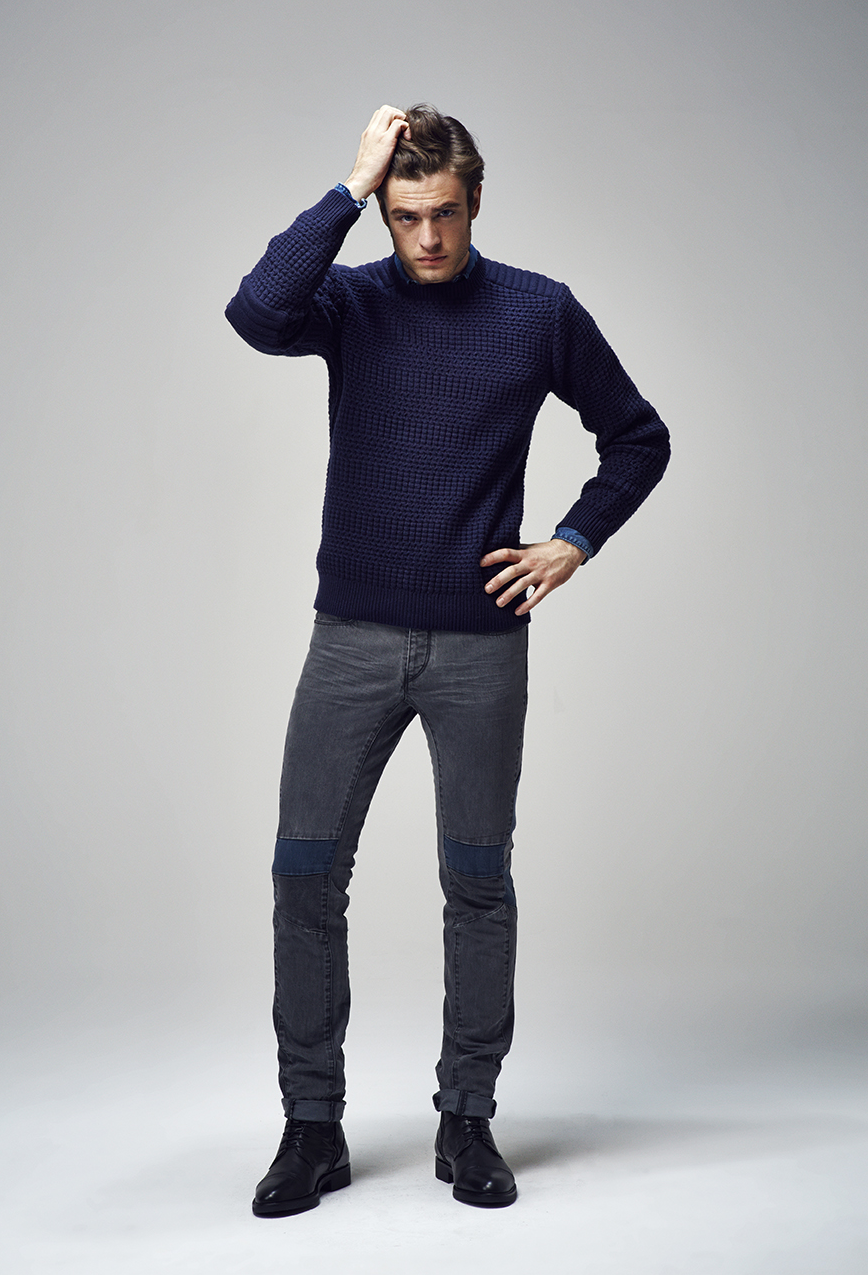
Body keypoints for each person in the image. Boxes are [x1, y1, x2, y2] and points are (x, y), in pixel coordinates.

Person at [225, 104, 670, 1217]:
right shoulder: (350, 302)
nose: (427, 238)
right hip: (351, 640)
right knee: (302, 874)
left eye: (446, 214)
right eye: (406, 215)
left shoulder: (537, 310)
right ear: (387, 211)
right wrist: (348, 185)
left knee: (476, 884)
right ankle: (311, 1127)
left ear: (476, 202)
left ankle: (466, 1119)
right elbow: (254, 312)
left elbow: (638, 436)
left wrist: (572, 541)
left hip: (480, 649)